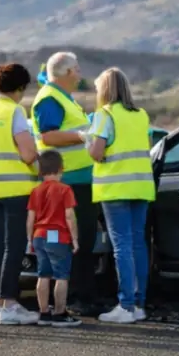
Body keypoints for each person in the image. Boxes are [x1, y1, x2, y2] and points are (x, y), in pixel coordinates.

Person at [30, 51, 102, 313]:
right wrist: (82, 136)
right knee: (74, 240)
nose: (80, 74)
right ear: (67, 72)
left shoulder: (63, 98)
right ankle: (75, 299)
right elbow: (48, 137)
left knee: (84, 239)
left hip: (78, 180)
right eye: (77, 69)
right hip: (68, 182)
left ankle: (82, 296)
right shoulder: (49, 98)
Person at [86, 67, 156, 324]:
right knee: (138, 244)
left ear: (105, 89)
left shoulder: (104, 115)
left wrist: (87, 139)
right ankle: (138, 304)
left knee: (121, 246)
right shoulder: (141, 115)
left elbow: (96, 153)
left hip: (115, 188)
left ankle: (125, 306)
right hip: (141, 187)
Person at [0, 62, 40, 326]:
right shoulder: (15, 111)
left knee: (0, 246)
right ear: (20, 87)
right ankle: (9, 304)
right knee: (14, 247)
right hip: (16, 188)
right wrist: (39, 162)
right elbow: (27, 153)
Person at [26, 151, 82, 327]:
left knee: (43, 274)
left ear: (40, 170)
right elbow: (69, 216)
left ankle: (43, 313)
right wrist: (75, 239)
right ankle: (59, 313)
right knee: (61, 275)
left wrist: (29, 239)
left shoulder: (36, 191)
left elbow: (30, 218)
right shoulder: (65, 189)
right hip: (55, 234)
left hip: (39, 234)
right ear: (61, 169)